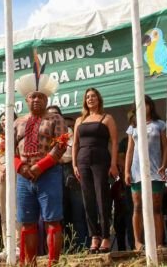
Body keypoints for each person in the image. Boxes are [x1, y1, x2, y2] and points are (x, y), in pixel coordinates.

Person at [12, 71, 68, 266]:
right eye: (33, 96)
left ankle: (53, 263)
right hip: (23, 177)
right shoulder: (17, 122)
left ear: (47, 99)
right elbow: (9, 151)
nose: (36, 99)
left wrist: (39, 166)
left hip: (49, 173)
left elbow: (60, 146)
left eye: (41, 97)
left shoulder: (56, 119)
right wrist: (21, 168)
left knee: (52, 220)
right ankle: (30, 263)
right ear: (26, 99)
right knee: (27, 222)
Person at [73, 88, 119, 253]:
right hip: (83, 159)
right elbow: (76, 144)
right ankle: (94, 236)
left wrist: (113, 164)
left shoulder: (107, 118)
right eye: (87, 97)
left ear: (99, 99)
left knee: (102, 197)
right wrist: (74, 164)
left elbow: (114, 142)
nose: (90, 99)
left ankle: (106, 236)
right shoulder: (79, 120)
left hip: (101, 159)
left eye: (93, 96)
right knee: (88, 199)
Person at [123, 95, 167, 250]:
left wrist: (164, 164)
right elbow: (129, 150)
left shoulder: (160, 124)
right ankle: (137, 242)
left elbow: (166, 147)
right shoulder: (133, 127)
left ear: (151, 106)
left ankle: (159, 243)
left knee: (157, 207)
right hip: (137, 172)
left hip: (155, 171)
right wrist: (126, 171)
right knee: (137, 206)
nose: (144, 108)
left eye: (146, 105)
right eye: (139, 106)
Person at [49, 105, 89, 252]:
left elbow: (69, 153)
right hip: (52, 172)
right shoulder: (45, 134)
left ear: (60, 117)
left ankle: (81, 245)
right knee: (60, 213)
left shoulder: (68, 131)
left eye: (55, 115)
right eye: (50, 115)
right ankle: (65, 246)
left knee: (77, 209)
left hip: (68, 170)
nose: (52, 117)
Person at [0, 111, 16, 259]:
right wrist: (1, 168)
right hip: (1, 172)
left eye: (7, 118)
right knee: (4, 211)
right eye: (2, 119)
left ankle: (17, 246)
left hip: (17, 171)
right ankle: (7, 247)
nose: (4, 121)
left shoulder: (19, 132)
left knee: (16, 209)